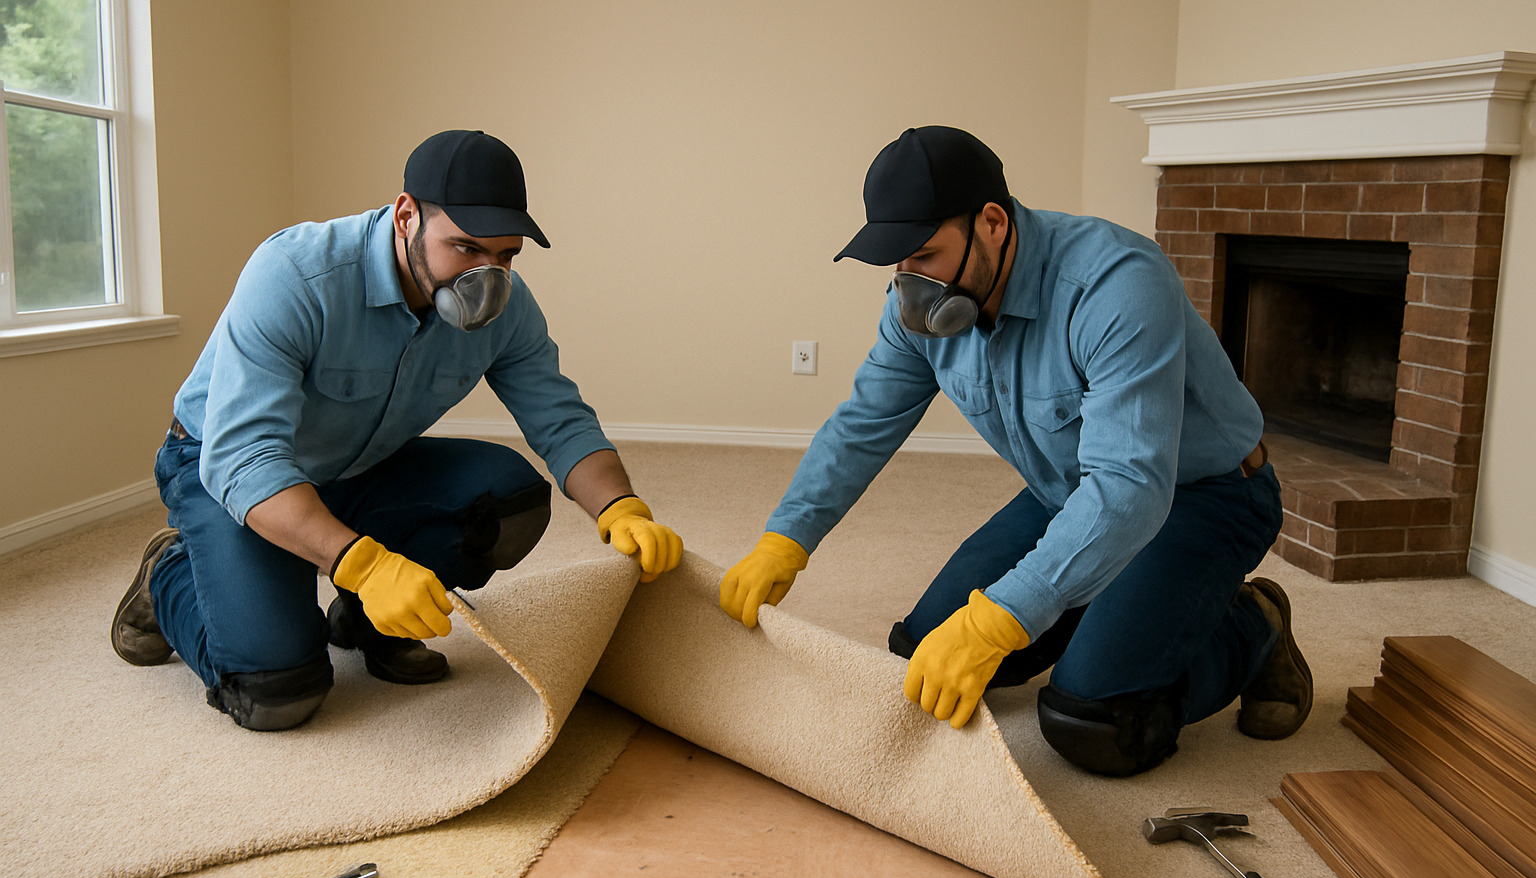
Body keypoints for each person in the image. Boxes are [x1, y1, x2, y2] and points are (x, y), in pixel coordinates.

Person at [719, 126, 1311, 777]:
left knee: (1097, 723)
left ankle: (1255, 628)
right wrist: (787, 537)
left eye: (924, 253)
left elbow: (1131, 488)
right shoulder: (919, 307)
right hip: (1069, 492)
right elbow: (863, 423)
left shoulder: (1116, 285)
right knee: (920, 653)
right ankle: (1103, 593)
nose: (909, 281)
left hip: (1204, 495)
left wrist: (1004, 616)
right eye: (897, 262)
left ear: (992, 223)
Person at [111, 129, 683, 731]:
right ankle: (170, 573)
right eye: (465, 248)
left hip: (356, 464)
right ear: (407, 216)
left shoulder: (506, 308)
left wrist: (622, 509)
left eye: (506, 255)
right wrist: (363, 565)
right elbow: (244, 458)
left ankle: (365, 623)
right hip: (227, 468)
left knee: (507, 501)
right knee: (276, 692)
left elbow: (558, 417)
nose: (486, 276)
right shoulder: (296, 276)